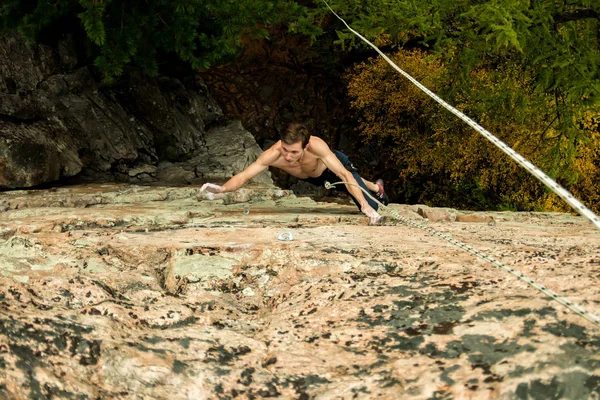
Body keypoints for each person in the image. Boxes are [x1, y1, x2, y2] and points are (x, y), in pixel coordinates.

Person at [200, 123, 389, 224]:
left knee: (373, 205)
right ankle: (375, 186)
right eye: (285, 150)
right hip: (314, 179)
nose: (288, 157)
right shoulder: (274, 154)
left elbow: (344, 175)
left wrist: (365, 206)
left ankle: (375, 189)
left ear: (305, 147)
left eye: (294, 152)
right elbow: (244, 176)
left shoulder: (317, 147)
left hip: (332, 171)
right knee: (353, 186)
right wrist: (223, 189)